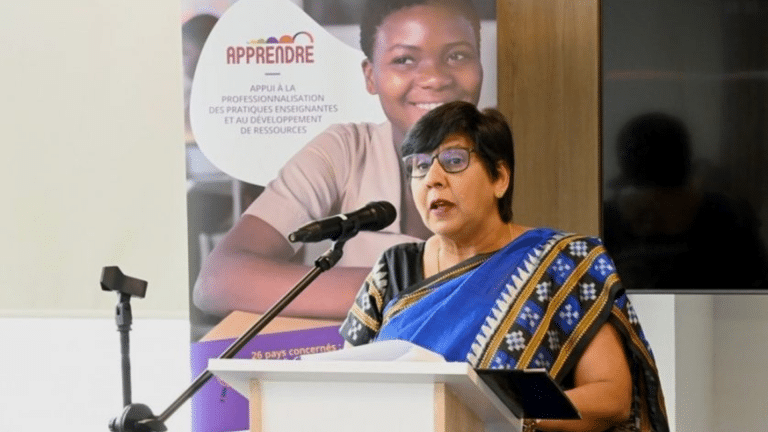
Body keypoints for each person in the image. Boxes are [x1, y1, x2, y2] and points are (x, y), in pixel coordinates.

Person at [340, 101, 669, 432]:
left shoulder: (563, 263)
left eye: (454, 161)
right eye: (420, 166)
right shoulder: (391, 270)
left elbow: (611, 396)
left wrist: (504, 409)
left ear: (499, 178)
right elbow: (344, 386)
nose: (432, 179)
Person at [193, 0, 485, 320]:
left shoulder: (507, 154)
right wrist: (405, 287)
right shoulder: (345, 151)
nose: (435, 78)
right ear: (370, 76)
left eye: (457, 56)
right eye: (404, 59)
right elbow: (218, 280)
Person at [603, 112, 768, 289]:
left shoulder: (728, 217)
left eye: (669, 201)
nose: (651, 221)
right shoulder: (604, 220)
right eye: (642, 199)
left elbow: (758, 290)